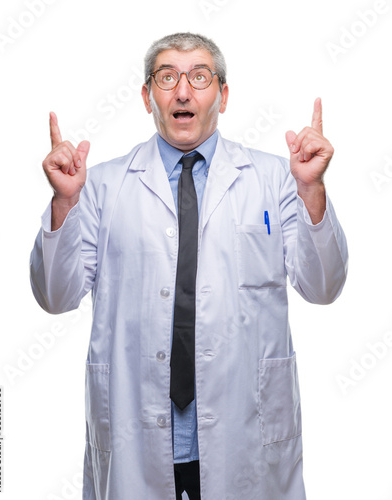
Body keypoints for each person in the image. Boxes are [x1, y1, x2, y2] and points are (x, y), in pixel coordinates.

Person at [30, 32, 348, 500]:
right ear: (146, 96)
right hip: (136, 431)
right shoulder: (100, 185)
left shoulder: (275, 178)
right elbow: (55, 298)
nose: (183, 91)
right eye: (167, 77)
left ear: (223, 94)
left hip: (246, 431)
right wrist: (63, 202)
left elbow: (323, 287)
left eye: (199, 77)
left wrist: (313, 192)